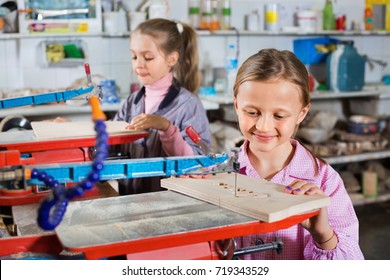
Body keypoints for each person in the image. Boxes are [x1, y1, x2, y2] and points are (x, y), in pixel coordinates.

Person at [231, 48, 364, 259]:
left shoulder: (325, 182)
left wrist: (323, 235)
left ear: (301, 113)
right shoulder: (217, 176)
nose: (263, 126)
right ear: (237, 105)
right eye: (252, 112)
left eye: (279, 115)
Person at [113, 18, 211, 194]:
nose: (138, 64)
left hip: (168, 206)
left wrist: (166, 128)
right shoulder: (131, 102)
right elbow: (110, 144)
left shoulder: (188, 105)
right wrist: (77, 132)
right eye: (134, 56)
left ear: (171, 59)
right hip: (129, 201)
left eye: (148, 57)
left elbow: (200, 164)